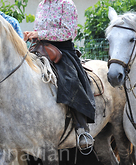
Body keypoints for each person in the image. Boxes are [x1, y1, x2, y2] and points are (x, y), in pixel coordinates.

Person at [23, 0, 95, 151]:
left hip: (62, 51)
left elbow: (68, 32)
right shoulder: (41, 4)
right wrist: (32, 35)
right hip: (41, 48)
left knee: (70, 81)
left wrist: (39, 33)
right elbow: (39, 30)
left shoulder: (67, 4)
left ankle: (82, 128)